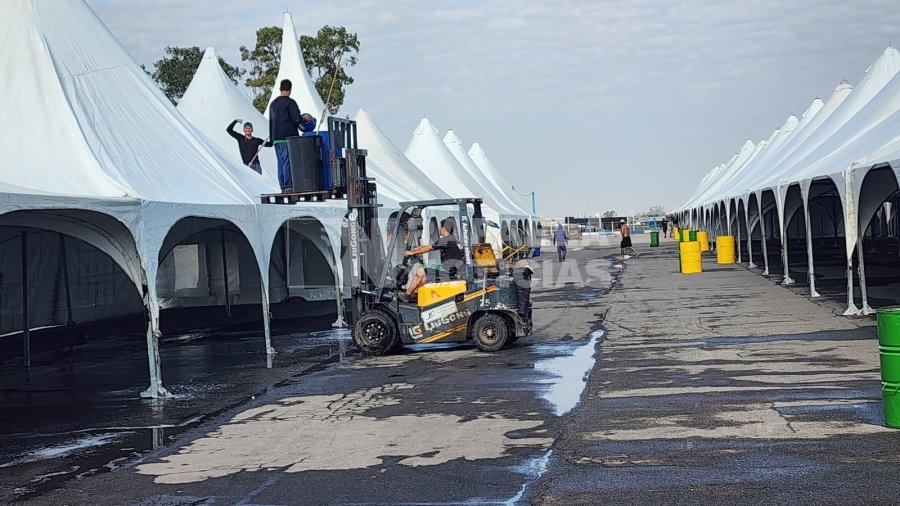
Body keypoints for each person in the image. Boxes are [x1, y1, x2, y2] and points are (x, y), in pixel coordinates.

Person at [268, 79, 317, 193]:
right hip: (288, 138)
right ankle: (289, 186)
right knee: (288, 162)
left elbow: (270, 121)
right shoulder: (290, 102)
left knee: (280, 162)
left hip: (276, 138)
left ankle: (282, 186)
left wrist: (271, 138)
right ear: (290, 90)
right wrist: (304, 118)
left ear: (280, 89)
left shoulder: (273, 104)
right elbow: (296, 119)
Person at [399, 217, 464, 303]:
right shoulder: (451, 239)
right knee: (425, 277)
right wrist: (413, 250)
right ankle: (416, 295)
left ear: (443, 228)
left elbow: (428, 249)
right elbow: (428, 246)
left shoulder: (446, 240)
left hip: (448, 269)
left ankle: (406, 294)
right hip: (451, 268)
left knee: (420, 271)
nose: (439, 229)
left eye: (440, 227)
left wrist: (412, 253)